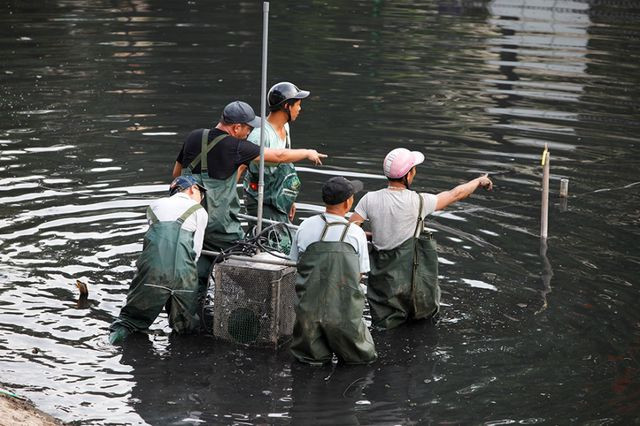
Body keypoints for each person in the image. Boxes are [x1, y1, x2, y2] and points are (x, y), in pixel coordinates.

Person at [172, 100, 326, 317]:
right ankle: (254, 313)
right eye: (248, 128)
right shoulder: (235, 146)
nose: (249, 132)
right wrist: (307, 153)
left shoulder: (194, 136)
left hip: (188, 220)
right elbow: (278, 156)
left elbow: (176, 174)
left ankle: (190, 316)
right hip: (219, 225)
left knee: (200, 263)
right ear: (236, 127)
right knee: (247, 256)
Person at [349, 148, 493, 330]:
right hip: (414, 281)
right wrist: (479, 181)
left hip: (382, 283)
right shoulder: (420, 201)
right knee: (422, 328)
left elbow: (351, 231)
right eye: (414, 169)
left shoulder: (369, 199)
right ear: (408, 175)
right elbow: (456, 194)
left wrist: (374, 236)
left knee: (383, 329)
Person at [109, 175, 209, 344]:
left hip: (151, 272)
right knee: (186, 328)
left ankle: (111, 345)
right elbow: (196, 251)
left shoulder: (154, 205)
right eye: (202, 194)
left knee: (129, 321)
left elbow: (153, 242)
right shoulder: (199, 211)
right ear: (193, 189)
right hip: (183, 273)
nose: (202, 199)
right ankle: (183, 362)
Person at [289, 177, 377, 365]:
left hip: (309, 312)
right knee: (360, 361)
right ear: (348, 202)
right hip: (344, 313)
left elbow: (296, 264)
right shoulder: (355, 233)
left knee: (308, 363)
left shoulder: (304, 226)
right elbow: (359, 275)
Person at [243, 82, 309, 232]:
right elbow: (241, 165)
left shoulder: (285, 127)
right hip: (262, 198)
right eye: (297, 105)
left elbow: (285, 160)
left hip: (279, 195)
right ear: (287, 106)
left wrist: (289, 199)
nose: (299, 109)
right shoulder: (260, 135)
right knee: (270, 241)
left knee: (286, 238)